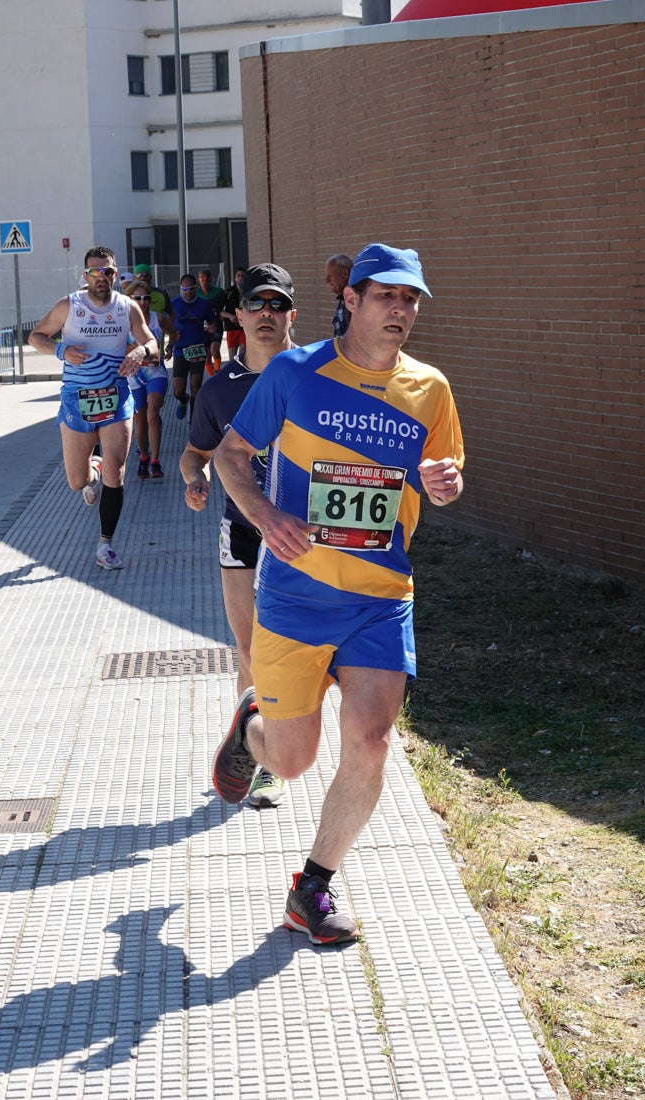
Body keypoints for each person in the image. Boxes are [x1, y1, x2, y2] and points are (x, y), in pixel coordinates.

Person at [211, 242, 464, 944]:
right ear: (350, 299)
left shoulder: (429, 390)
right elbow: (231, 457)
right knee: (290, 759)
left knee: (373, 740)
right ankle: (249, 731)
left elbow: (440, 477)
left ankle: (312, 887)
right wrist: (265, 516)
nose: (401, 310)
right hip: (295, 596)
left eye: (410, 299)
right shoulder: (296, 372)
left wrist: (444, 485)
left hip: (381, 598)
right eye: (387, 296)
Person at [180, 263, 297, 808]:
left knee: (293, 649)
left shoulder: (317, 374)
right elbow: (194, 451)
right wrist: (194, 478)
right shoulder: (220, 388)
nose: (266, 314)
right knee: (248, 646)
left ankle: (286, 739)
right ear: (239, 315)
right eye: (256, 305)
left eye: (277, 304)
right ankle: (261, 756)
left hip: (305, 533)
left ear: (292, 314)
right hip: (243, 530)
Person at [29, 245, 159, 569]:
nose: (102, 277)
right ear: (85, 275)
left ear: (116, 274)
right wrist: (61, 350)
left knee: (117, 470)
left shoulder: (127, 307)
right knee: (76, 481)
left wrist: (141, 353)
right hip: (77, 398)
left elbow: (152, 342)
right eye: (95, 272)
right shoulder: (69, 305)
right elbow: (35, 336)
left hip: (116, 395)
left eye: (108, 272)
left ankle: (105, 545)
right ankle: (92, 472)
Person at [125, 279, 177, 479]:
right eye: (137, 298)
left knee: (153, 412)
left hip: (156, 373)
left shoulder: (157, 318)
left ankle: (155, 461)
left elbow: (174, 332)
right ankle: (144, 457)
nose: (142, 302)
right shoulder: (123, 322)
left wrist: (170, 347)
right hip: (134, 376)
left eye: (146, 298)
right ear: (130, 300)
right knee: (140, 419)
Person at [166, 274, 218, 420]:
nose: (189, 292)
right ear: (181, 289)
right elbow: (164, 324)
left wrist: (212, 329)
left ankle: (194, 420)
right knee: (178, 390)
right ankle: (183, 400)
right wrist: (171, 335)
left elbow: (213, 324)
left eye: (191, 289)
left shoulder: (204, 304)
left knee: (196, 385)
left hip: (197, 348)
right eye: (185, 289)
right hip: (180, 350)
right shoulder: (173, 304)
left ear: (196, 288)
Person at [196, 268, 227, 375]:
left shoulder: (218, 292)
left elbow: (220, 308)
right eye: (202, 278)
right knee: (206, 356)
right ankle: (212, 378)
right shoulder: (195, 293)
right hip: (201, 328)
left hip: (216, 325)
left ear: (211, 279)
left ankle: (218, 371)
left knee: (214, 351)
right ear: (199, 280)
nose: (204, 280)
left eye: (207, 278)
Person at [219, 267, 246, 360]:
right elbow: (220, 311)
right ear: (235, 278)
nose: (240, 278)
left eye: (243, 276)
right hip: (231, 327)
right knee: (232, 358)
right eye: (238, 276)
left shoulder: (249, 292)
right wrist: (230, 316)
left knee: (243, 353)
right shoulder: (228, 292)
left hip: (245, 328)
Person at [325, 253, 353, 338]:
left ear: (345, 273)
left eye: (330, 275)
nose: (327, 281)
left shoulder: (356, 301)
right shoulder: (343, 299)